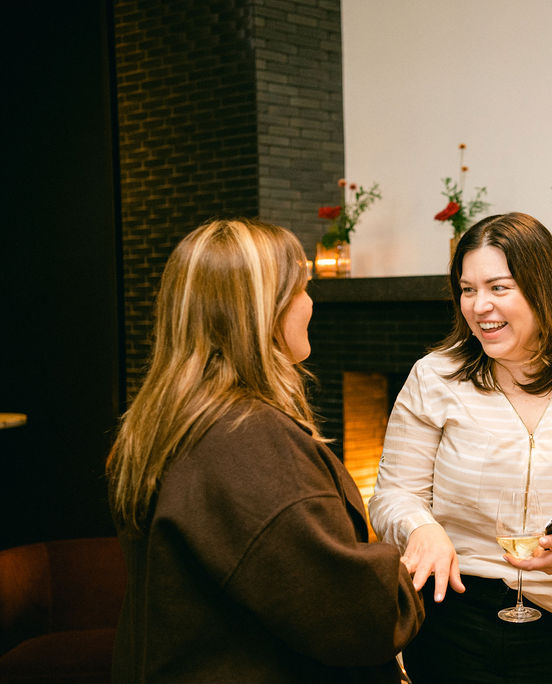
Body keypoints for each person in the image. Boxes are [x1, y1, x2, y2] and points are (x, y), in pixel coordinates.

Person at [105, 218, 424, 683]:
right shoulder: (248, 440)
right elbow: (350, 619)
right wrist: (404, 574)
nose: (311, 305)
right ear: (260, 311)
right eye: (301, 291)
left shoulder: (166, 418)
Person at [368, 212, 552, 683]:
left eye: (499, 287)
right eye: (468, 289)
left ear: (543, 287)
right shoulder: (435, 376)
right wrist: (420, 528)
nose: (479, 306)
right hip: (456, 615)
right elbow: (393, 495)